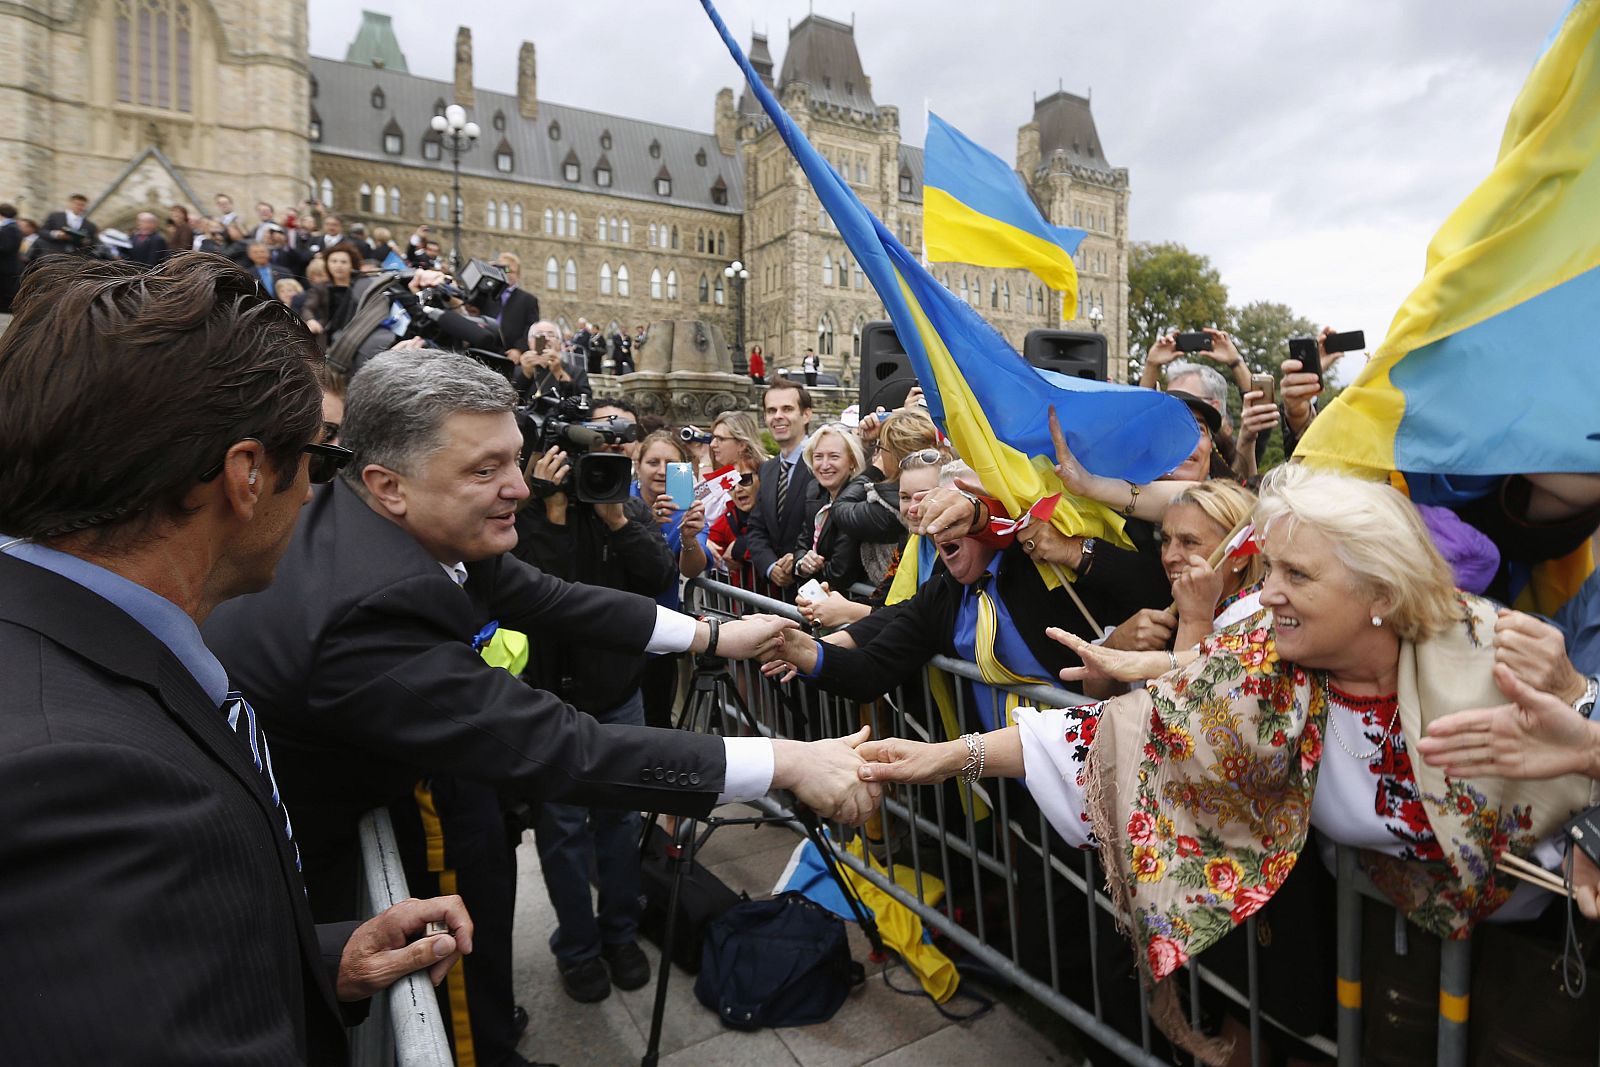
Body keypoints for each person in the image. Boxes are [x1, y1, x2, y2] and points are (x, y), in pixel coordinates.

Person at [856, 464, 1597, 1065]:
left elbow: (1575, 753)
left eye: (1296, 575)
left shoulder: (1499, 654)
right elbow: (1124, 732)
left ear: (1381, 592)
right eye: (1268, 567)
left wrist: (1588, 730)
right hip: (1399, 937)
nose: (1267, 591)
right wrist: (952, 755)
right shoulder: (1268, 657)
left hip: (1548, 945)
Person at [0, 253, 473, 1063]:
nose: (321, 498)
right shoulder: (96, 792)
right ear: (247, 474)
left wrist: (319, 961)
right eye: (319, 463)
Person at [514, 436, 676, 1003]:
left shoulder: (622, 508)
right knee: (560, 833)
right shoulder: (528, 515)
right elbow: (545, 596)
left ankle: (620, 935)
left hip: (618, 695)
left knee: (620, 823)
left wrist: (613, 517)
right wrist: (551, 511)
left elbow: (659, 575)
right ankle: (578, 949)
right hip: (552, 701)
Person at [744, 379, 817, 593]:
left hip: (813, 591)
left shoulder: (821, 465)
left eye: (787, 409)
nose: (778, 416)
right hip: (774, 593)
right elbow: (756, 527)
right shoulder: (768, 469)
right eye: (771, 410)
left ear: (806, 415)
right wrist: (770, 566)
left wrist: (797, 561)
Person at [793, 423, 874, 593]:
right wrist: (803, 563)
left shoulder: (859, 500)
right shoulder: (815, 491)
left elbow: (840, 573)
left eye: (834, 457)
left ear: (852, 461)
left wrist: (814, 569)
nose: (824, 465)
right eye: (818, 457)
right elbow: (802, 544)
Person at [514, 320, 590, 403]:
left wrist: (559, 372)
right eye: (539, 334)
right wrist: (525, 375)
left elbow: (584, 404)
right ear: (529, 342)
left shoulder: (577, 372)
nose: (546, 338)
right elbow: (509, 403)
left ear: (559, 343)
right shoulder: (515, 371)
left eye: (551, 334)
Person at [301, 246, 359, 342]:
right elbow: (308, 308)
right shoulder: (320, 287)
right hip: (327, 338)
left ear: (352, 265)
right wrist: (311, 320)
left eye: (343, 262)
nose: (338, 265)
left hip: (356, 335)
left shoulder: (360, 286)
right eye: (334, 261)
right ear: (327, 264)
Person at [494, 252, 542, 363]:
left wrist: (519, 349)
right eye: (504, 269)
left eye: (512, 271)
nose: (508, 273)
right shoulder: (488, 294)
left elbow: (531, 328)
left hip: (509, 354)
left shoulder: (528, 300)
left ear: (518, 275)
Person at [33, 192, 98, 258]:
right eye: (78, 204)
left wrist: (85, 241)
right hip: (53, 256)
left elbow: (93, 244)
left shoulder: (90, 225)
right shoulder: (55, 216)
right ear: (71, 203)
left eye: (83, 205)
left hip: (76, 259)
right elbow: (41, 231)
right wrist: (56, 234)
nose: (80, 207)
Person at [0, 202, 20, 312]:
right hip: (5, 266)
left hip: (5, 266)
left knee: (4, 291)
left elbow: (7, 247)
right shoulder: (9, 227)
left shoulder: (11, 228)